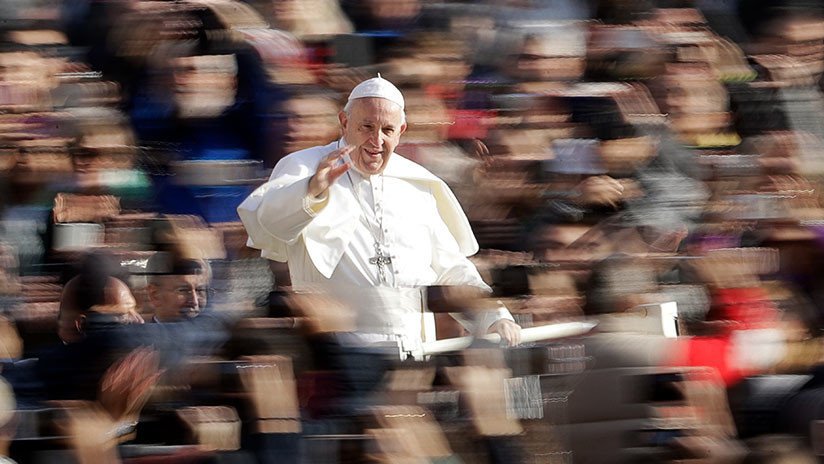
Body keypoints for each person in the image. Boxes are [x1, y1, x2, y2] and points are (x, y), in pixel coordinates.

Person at [238, 75, 521, 358]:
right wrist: (313, 190)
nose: (376, 140)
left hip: (412, 349)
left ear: (402, 131)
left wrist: (494, 316)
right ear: (345, 123)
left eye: (387, 130)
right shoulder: (305, 166)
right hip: (336, 351)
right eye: (367, 127)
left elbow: (451, 267)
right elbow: (268, 224)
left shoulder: (418, 184)